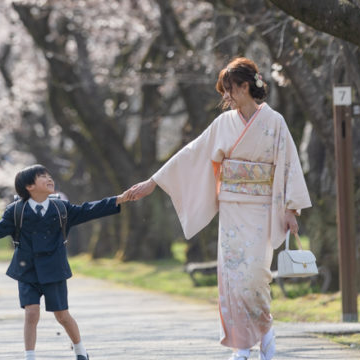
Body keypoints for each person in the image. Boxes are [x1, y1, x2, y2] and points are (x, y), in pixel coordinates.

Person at [124, 57, 311, 360]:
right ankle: (241, 345)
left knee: (255, 277)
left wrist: (291, 209)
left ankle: (265, 333)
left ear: (246, 86)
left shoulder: (274, 122)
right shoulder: (224, 123)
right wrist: (154, 181)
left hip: (263, 208)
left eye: (230, 89)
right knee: (233, 278)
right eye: (224, 90)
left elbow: (288, 165)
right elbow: (192, 153)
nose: (226, 96)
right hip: (232, 209)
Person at [0, 164, 128, 360]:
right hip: (26, 269)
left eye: (49, 175)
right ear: (29, 186)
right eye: (42, 176)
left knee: (62, 315)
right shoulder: (16, 211)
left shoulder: (61, 207)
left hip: (54, 269)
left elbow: (88, 210)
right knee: (31, 313)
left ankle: (80, 350)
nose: (49, 178)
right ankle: (30, 356)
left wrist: (118, 199)